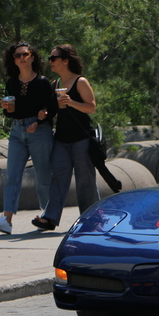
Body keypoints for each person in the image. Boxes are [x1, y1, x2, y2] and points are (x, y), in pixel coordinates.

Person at [0, 42, 57, 235]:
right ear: (13, 61)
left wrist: (41, 119)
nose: (22, 58)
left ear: (32, 57)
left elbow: (51, 109)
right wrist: (8, 109)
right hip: (17, 130)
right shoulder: (11, 83)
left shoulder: (42, 82)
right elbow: (12, 113)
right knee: (12, 175)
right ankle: (6, 220)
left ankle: (47, 216)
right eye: (17, 56)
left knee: (42, 176)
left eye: (25, 54)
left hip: (39, 131)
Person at [31, 44, 99, 231]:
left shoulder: (81, 82)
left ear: (65, 61)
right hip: (61, 139)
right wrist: (44, 113)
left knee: (85, 180)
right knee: (58, 178)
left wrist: (71, 102)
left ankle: (90, 218)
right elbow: (53, 111)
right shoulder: (56, 84)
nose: (50, 61)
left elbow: (91, 107)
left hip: (81, 139)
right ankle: (50, 218)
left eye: (54, 58)